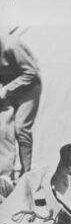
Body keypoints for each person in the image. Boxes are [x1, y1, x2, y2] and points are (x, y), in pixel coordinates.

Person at [0, 33, 42, 178]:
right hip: (8, 89)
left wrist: (7, 89)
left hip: (29, 89)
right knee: (3, 130)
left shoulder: (12, 45)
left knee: (21, 129)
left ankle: (26, 174)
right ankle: (5, 176)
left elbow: (31, 72)